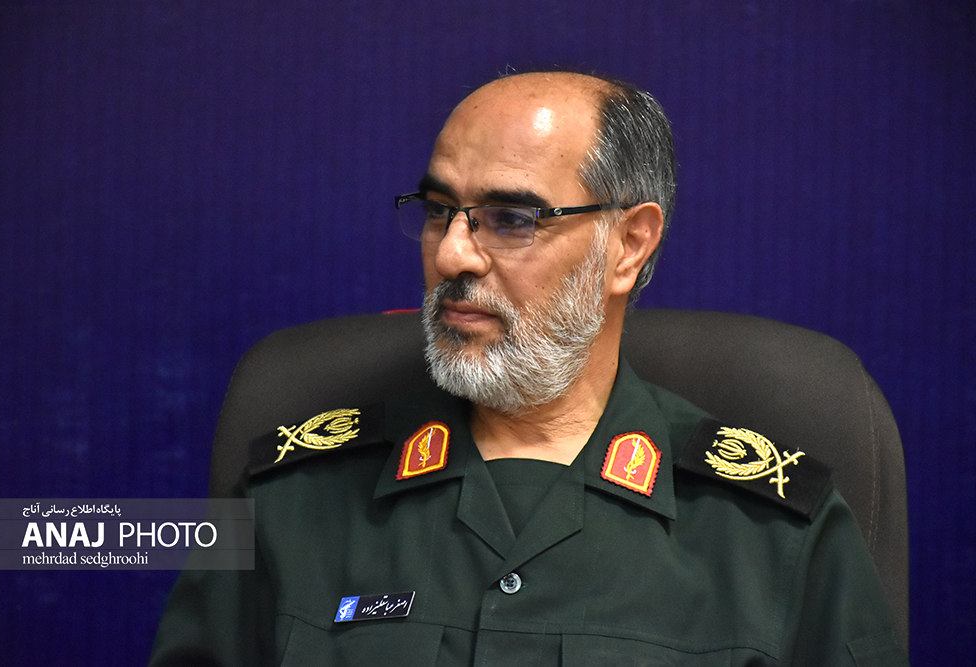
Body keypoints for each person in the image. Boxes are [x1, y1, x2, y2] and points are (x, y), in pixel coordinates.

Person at [149, 71, 909, 665]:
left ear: (629, 245)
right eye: (439, 210)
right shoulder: (288, 501)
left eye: (512, 219)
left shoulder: (772, 532)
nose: (452, 253)